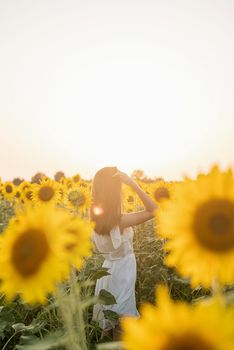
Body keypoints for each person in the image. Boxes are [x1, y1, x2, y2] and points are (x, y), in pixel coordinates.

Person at [91, 167, 157, 340]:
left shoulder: (95, 219)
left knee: (108, 322)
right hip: (123, 273)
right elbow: (153, 210)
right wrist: (133, 183)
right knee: (123, 325)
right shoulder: (120, 221)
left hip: (106, 273)